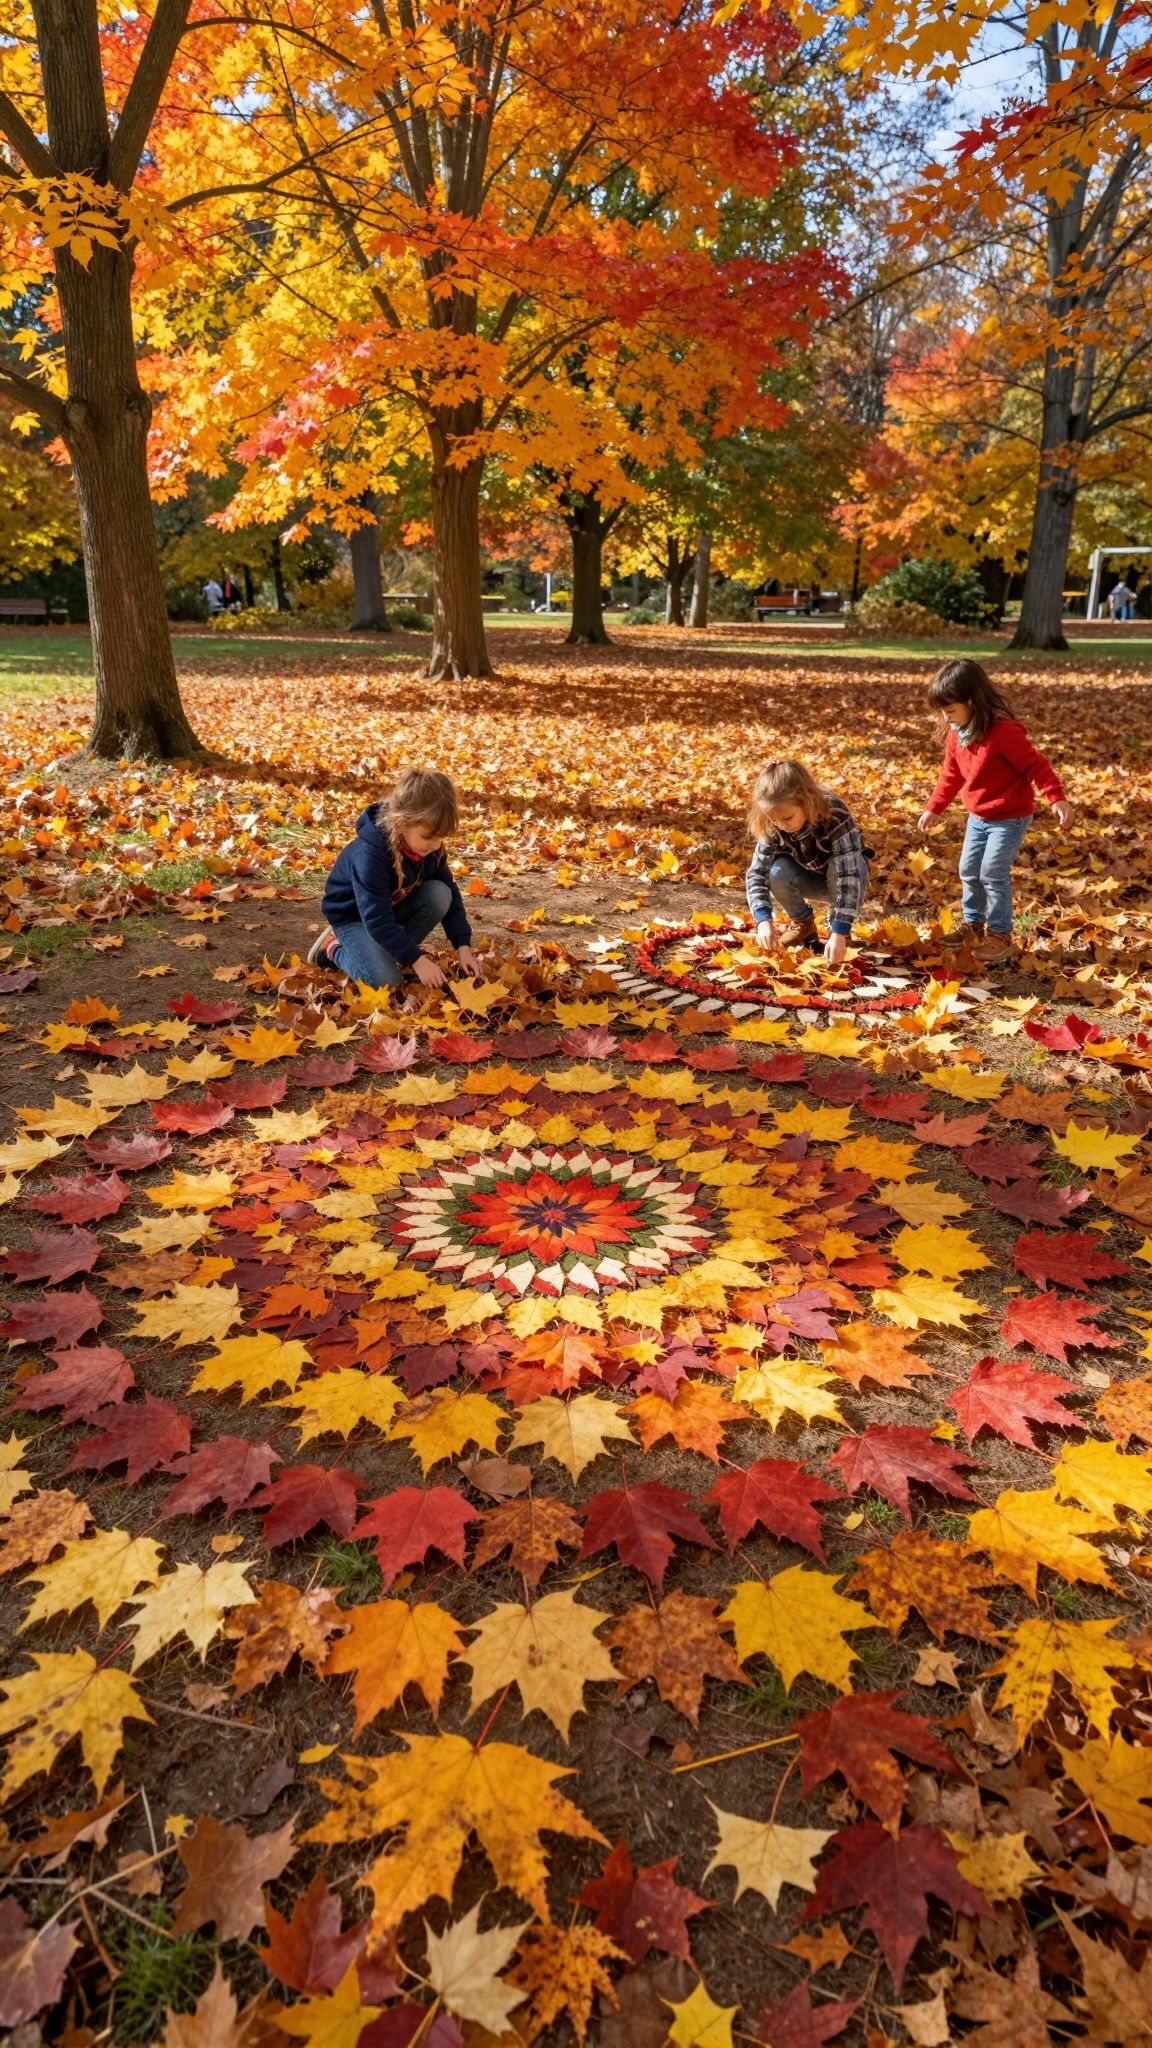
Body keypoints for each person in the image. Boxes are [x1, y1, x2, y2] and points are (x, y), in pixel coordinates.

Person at [917, 658, 1072, 964]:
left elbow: (1035, 765)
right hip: (978, 817)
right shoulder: (957, 734)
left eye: (951, 711)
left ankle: (1000, 934)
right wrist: (934, 807)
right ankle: (973, 925)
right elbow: (951, 776)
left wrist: (1056, 798)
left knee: (992, 872)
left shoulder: (1002, 733)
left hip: (1009, 817)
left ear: (971, 702)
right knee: (968, 870)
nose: (947, 720)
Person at [309, 769, 480, 989]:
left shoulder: (430, 849)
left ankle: (384, 953)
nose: (435, 845)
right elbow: (377, 919)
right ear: (401, 823)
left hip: (388, 910)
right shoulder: (369, 855)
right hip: (353, 916)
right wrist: (417, 960)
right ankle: (334, 948)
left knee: (440, 894)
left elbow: (451, 892)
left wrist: (463, 947)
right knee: (385, 982)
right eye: (428, 837)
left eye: (441, 838)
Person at [746, 759, 870, 966]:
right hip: (806, 875)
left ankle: (838, 934)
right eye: (774, 820)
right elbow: (757, 873)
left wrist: (839, 930)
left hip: (846, 876)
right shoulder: (774, 822)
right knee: (776, 871)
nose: (781, 826)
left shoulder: (835, 815)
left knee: (839, 866)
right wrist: (763, 921)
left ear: (807, 802)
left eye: (787, 818)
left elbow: (849, 874)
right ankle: (804, 925)